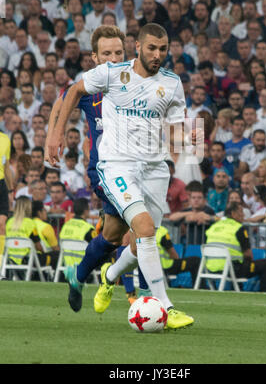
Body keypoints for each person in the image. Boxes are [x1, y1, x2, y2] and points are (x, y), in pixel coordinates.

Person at [47, 23, 195, 329]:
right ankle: (159, 305)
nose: (113, 58)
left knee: (119, 237)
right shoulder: (101, 80)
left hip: (150, 167)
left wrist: (188, 143)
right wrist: (55, 134)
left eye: (118, 52)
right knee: (141, 229)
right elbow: (67, 97)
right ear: (95, 56)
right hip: (110, 167)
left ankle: (97, 275)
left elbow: (177, 126)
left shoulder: (163, 82)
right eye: (106, 53)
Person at [205, 202, 266, 292]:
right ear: (233, 214)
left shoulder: (213, 227)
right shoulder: (238, 228)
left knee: (240, 262)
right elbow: (248, 255)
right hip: (232, 270)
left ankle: (237, 290)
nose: (243, 214)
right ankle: (264, 295)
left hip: (210, 268)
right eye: (241, 212)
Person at [59, 198, 97, 267]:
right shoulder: (88, 228)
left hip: (67, 266)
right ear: (85, 211)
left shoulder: (65, 225)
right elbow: (98, 247)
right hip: (84, 268)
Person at [32, 200, 59, 268]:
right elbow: (55, 248)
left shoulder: (28, 224)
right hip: (42, 259)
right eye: (44, 210)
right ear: (39, 213)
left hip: (29, 258)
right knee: (59, 255)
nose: (46, 212)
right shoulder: (46, 227)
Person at [0, 131, 14, 266]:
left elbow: (7, 166)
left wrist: (10, 190)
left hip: (1, 184)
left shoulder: (5, 139)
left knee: (1, 224)